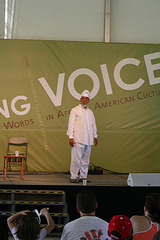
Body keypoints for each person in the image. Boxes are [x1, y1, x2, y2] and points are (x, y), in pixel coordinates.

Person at [67, 89, 98, 183]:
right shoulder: (75, 110)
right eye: (83, 98)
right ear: (80, 99)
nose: (84, 100)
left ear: (88, 100)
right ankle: (73, 177)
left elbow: (93, 125)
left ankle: (83, 176)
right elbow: (71, 124)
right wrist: (71, 137)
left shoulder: (90, 112)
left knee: (85, 160)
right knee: (76, 159)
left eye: (86, 99)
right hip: (78, 138)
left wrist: (95, 136)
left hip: (88, 139)